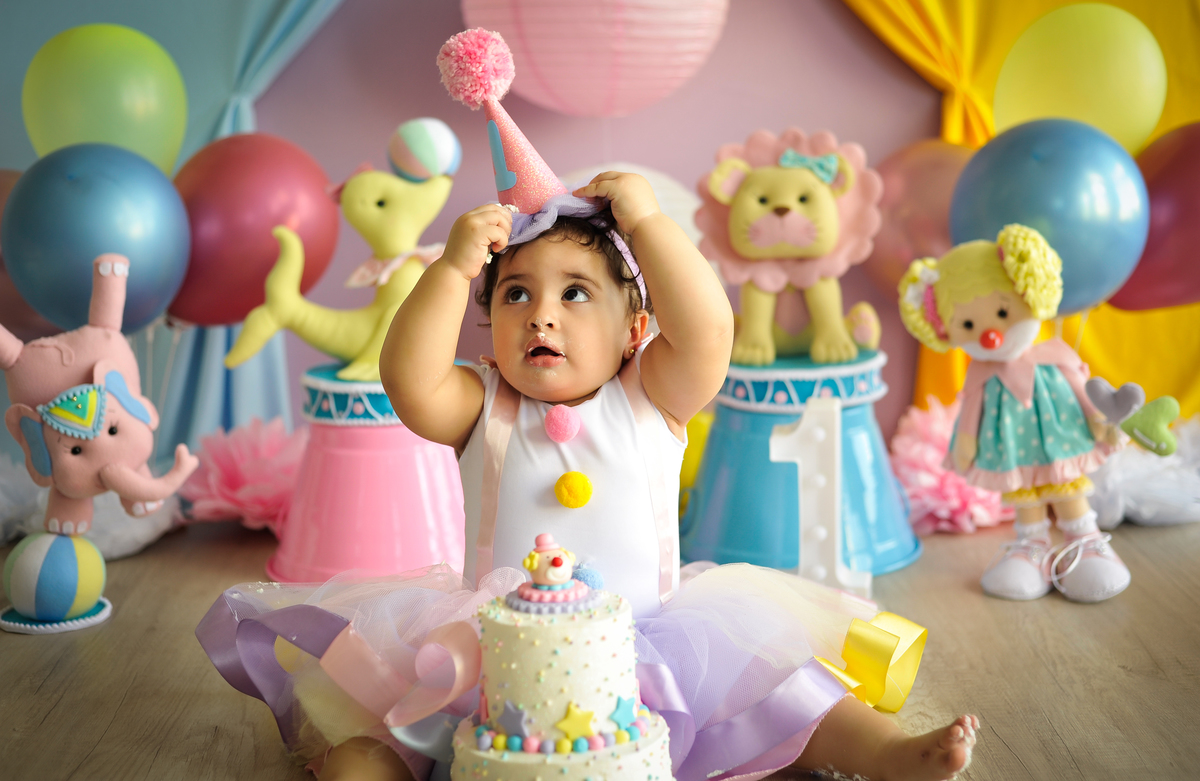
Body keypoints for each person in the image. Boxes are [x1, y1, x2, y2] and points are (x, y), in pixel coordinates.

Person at [197, 28, 978, 781]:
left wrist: (647, 223)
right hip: (494, 657)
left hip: (653, 643)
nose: (542, 315)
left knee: (789, 695)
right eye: (515, 294)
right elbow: (406, 378)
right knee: (387, 734)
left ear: (635, 330)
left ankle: (888, 754)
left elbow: (709, 330)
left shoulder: (651, 395)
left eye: (575, 294)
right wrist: (450, 268)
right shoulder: (481, 404)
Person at [898, 224, 1130, 603]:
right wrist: (965, 445)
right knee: (1024, 494)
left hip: (1061, 439)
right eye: (968, 325)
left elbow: (1081, 393)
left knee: (1066, 484)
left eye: (1003, 311)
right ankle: (1032, 544)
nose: (989, 334)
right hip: (1011, 450)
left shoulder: (1054, 357)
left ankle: (1082, 537)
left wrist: (1099, 422)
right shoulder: (980, 375)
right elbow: (970, 412)